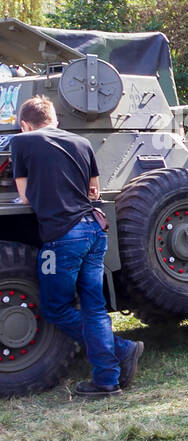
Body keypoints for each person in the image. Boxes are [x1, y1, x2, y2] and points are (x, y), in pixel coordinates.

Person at [10, 96, 143, 397]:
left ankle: (122, 349)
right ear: (54, 119)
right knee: (94, 306)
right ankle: (107, 379)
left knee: (56, 307)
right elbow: (93, 189)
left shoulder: (23, 142)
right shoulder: (81, 143)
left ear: (25, 124)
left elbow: (25, 195)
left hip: (62, 238)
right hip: (94, 230)